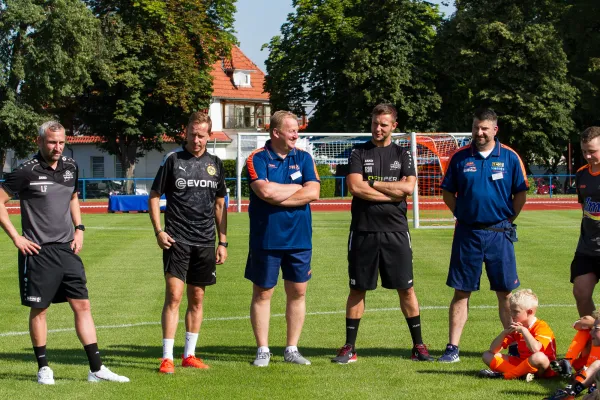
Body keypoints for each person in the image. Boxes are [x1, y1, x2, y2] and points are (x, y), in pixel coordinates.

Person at [0, 121, 129, 384]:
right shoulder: (26, 171)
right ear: (39, 142)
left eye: (61, 142)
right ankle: (43, 368)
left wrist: (79, 228)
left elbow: (72, 197)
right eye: (52, 142)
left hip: (67, 249)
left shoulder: (71, 166)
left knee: (82, 305)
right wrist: (16, 238)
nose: (57, 147)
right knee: (40, 310)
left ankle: (96, 368)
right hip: (37, 251)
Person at [331, 103, 432, 364]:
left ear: (393, 126)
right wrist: (390, 193)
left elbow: (408, 188)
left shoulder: (404, 154)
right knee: (358, 289)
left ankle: (418, 345)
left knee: (406, 290)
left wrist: (373, 182)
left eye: (384, 124)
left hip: (396, 232)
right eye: (375, 123)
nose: (378, 128)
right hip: (363, 231)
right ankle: (349, 347)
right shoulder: (358, 151)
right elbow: (355, 187)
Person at [438, 108, 528, 362]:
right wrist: (463, 214)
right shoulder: (459, 158)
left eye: (485, 128)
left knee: (505, 293)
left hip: (500, 233)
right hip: (468, 234)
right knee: (461, 292)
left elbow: (521, 193)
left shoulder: (510, 157)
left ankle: (512, 345)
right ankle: (452, 348)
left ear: (495, 130)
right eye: (476, 127)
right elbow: (447, 193)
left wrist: (509, 218)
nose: (479, 132)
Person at [149, 112, 228, 374]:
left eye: (201, 135)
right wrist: (159, 231)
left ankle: (189, 354)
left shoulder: (215, 163)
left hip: (205, 241)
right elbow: (154, 196)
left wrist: (223, 241)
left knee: (197, 298)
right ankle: (167, 358)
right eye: (193, 134)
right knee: (174, 295)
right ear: (186, 132)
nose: (196, 140)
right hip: (177, 239)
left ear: (209, 135)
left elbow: (220, 205)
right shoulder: (172, 160)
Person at [245, 110, 320, 367]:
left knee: (298, 292)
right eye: (291, 130)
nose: (296, 135)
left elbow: (315, 192)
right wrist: (299, 189)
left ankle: (292, 348)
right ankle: (263, 350)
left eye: (296, 130)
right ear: (276, 133)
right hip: (266, 238)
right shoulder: (256, 158)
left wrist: (282, 194)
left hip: (300, 238)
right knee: (263, 293)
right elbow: (264, 191)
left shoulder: (304, 157)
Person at [479, 289, 556, 381]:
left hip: (544, 367)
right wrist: (504, 333)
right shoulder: (516, 326)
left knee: (538, 357)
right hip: (522, 363)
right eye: (511, 310)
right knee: (487, 355)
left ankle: (507, 375)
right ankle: (522, 375)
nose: (512, 314)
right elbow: (493, 350)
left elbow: (536, 349)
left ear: (530, 312)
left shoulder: (541, 326)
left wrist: (524, 331)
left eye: (516, 311)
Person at [571, 127, 600, 318]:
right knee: (581, 293)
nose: (588, 155)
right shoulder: (581, 174)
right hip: (587, 247)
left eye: (592, 151)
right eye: (584, 151)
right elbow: (584, 206)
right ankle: (591, 341)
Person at [544, 311, 600, 400]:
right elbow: (576, 324)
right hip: (587, 366)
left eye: (596, 328)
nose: (591, 332)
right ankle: (568, 393)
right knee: (597, 364)